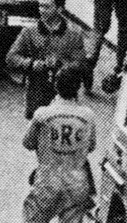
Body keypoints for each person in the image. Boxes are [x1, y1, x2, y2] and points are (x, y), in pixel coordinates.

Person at [21, 67, 96, 223]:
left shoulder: (42, 114)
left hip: (48, 182)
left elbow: (27, 143)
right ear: (78, 88)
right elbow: (91, 146)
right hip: (77, 184)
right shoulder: (88, 116)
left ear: (56, 86)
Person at [6, 0, 92, 118]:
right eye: (40, 6)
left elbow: (81, 64)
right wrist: (31, 63)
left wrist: (61, 64)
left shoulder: (74, 34)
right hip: (36, 92)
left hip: (64, 96)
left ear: (59, 9)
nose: (41, 10)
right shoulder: (29, 31)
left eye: (47, 7)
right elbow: (11, 57)